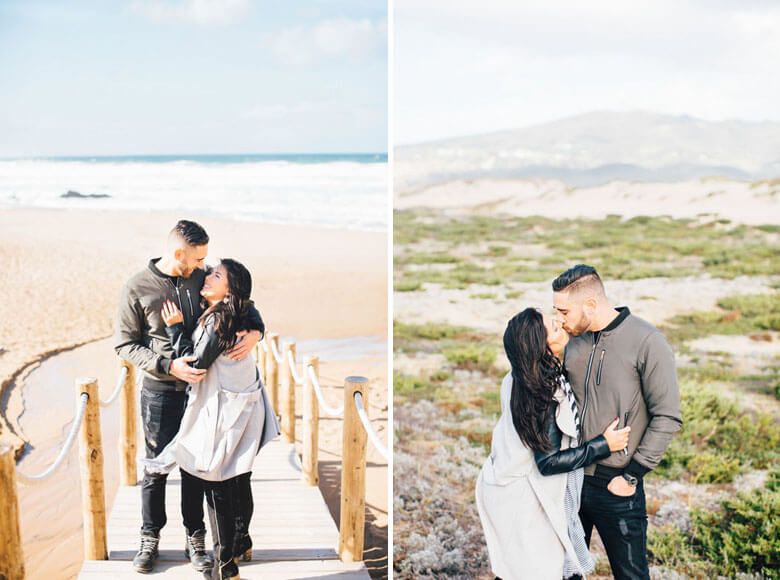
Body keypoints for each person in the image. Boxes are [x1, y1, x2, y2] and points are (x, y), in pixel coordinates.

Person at [114, 220, 264, 574]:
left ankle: (195, 537)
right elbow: (124, 344)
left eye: (206, 262)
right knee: (156, 469)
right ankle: (149, 539)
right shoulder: (137, 287)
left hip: (203, 394)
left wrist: (257, 330)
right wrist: (167, 365)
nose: (203, 266)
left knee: (196, 468)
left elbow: (241, 300)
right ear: (179, 253)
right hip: (161, 391)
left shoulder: (203, 276)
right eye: (197, 259)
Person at [476, 307, 631, 580]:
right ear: (543, 347)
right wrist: (604, 444)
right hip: (522, 496)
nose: (560, 322)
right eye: (555, 327)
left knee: (523, 568)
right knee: (537, 569)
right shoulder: (542, 392)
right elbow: (547, 463)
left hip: (506, 486)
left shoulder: (520, 376)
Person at [552, 264, 682, 580]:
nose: (559, 319)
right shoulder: (571, 340)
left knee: (631, 576)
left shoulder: (647, 340)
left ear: (591, 305)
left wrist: (632, 475)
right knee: (563, 573)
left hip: (618, 483)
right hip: (570, 479)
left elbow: (668, 415)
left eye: (564, 311)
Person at [153, 258, 279, 580]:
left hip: (226, 411)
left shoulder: (218, 320)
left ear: (230, 289)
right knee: (239, 476)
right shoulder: (236, 312)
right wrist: (258, 331)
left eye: (216, 275)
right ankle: (240, 544)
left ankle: (226, 566)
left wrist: (176, 327)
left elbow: (195, 363)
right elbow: (250, 307)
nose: (208, 276)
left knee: (218, 486)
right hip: (244, 404)